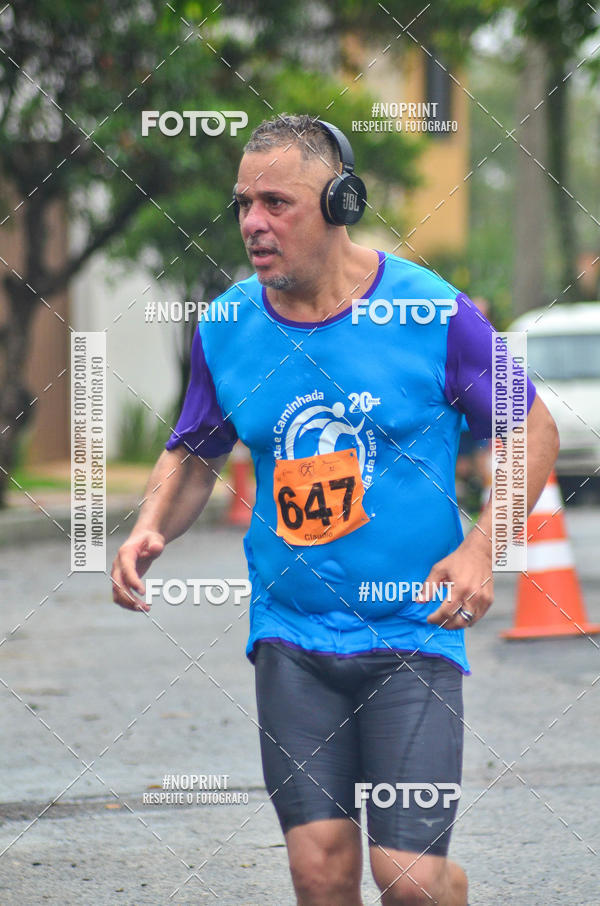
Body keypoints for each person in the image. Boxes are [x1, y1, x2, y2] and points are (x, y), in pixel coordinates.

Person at [111, 114, 559, 906]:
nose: (254, 222)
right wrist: (150, 524)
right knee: (320, 872)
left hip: (412, 634)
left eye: (277, 203)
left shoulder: (432, 313)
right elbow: (195, 449)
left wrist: (486, 545)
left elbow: (532, 426)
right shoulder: (228, 326)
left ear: (339, 203)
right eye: (244, 203)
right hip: (292, 638)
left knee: (412, 882)